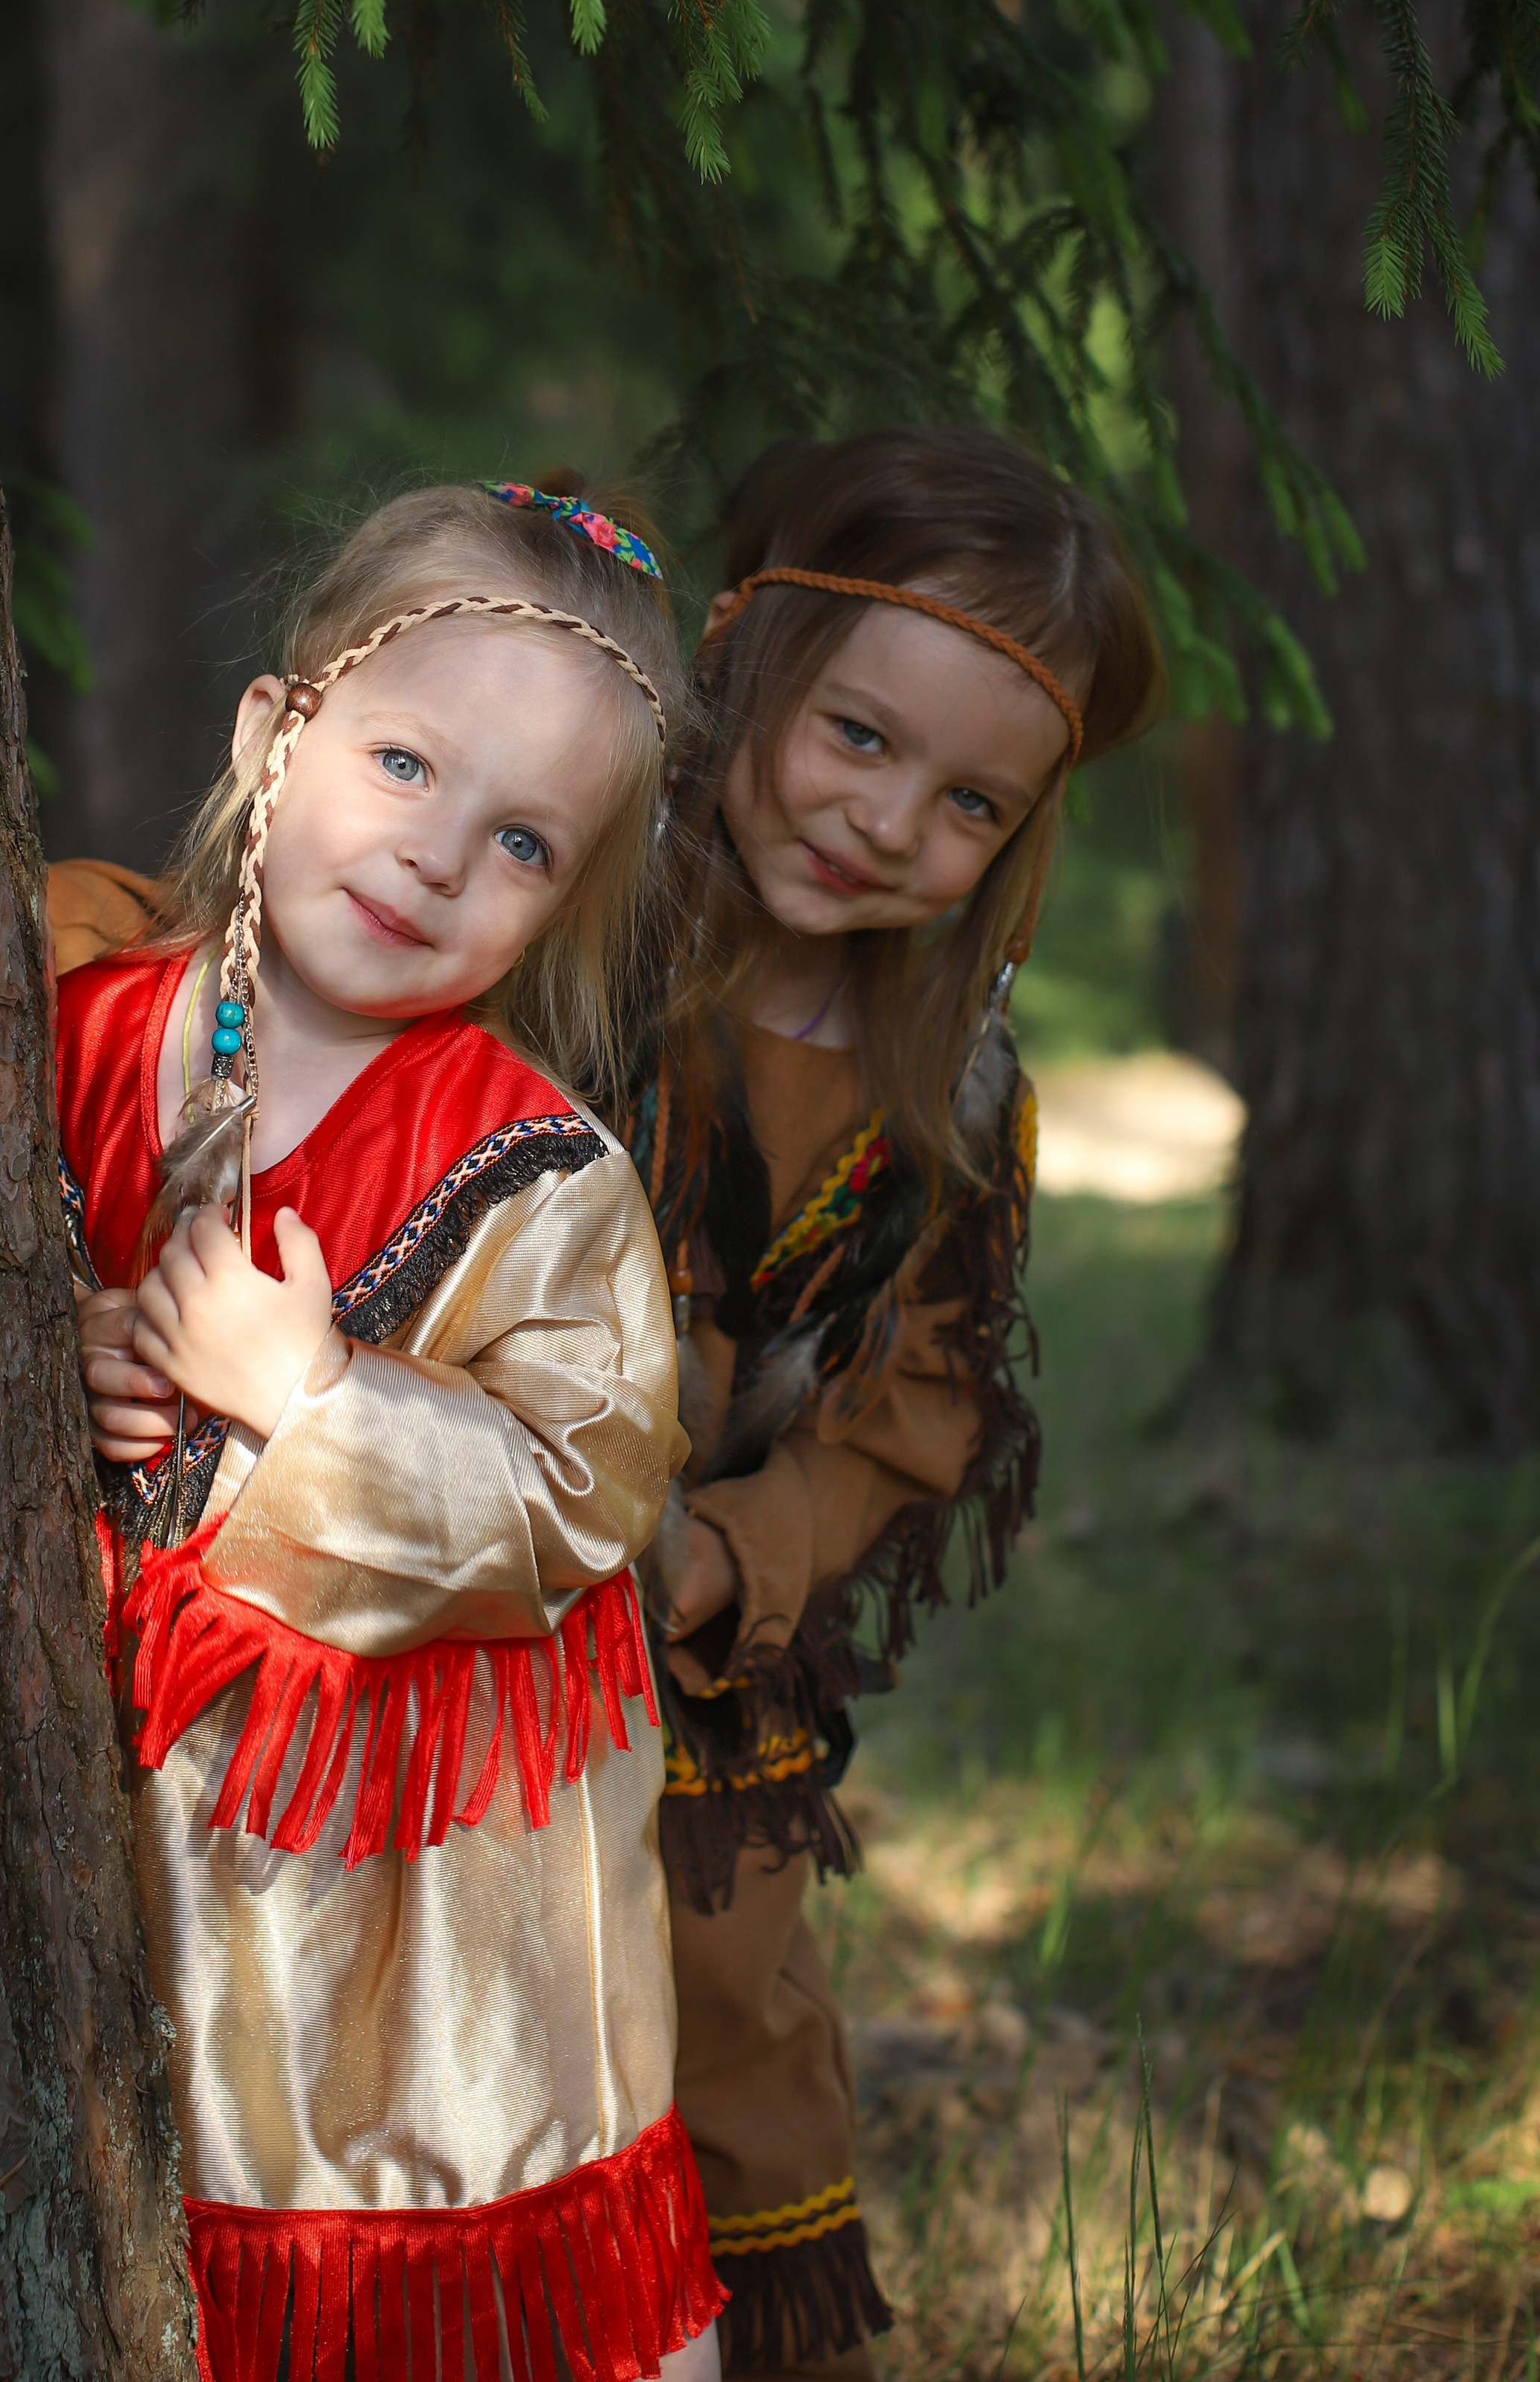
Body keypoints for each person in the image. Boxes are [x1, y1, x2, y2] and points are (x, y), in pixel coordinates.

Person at [52, 483, 725, 2382]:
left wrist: (316, 1400)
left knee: (373, 2231)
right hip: (114, 1804)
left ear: (562, 902)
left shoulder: (535, 1172)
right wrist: (61, 1346)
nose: (434, 856)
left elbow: (580, 1496)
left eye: (518, 841)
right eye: (403, 763)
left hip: (388, 1877)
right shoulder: (80, 1032)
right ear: (272, 733)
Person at [631, 428, 1163, 2379]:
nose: (883, 821)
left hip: (685, 1683)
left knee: (730, 2054)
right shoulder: (558, 923)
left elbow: (906, 1420)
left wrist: (728, 1556)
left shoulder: (941, 1103)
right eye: (856, 735)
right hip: (445, 1630)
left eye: (965, 803)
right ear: (744, 654)